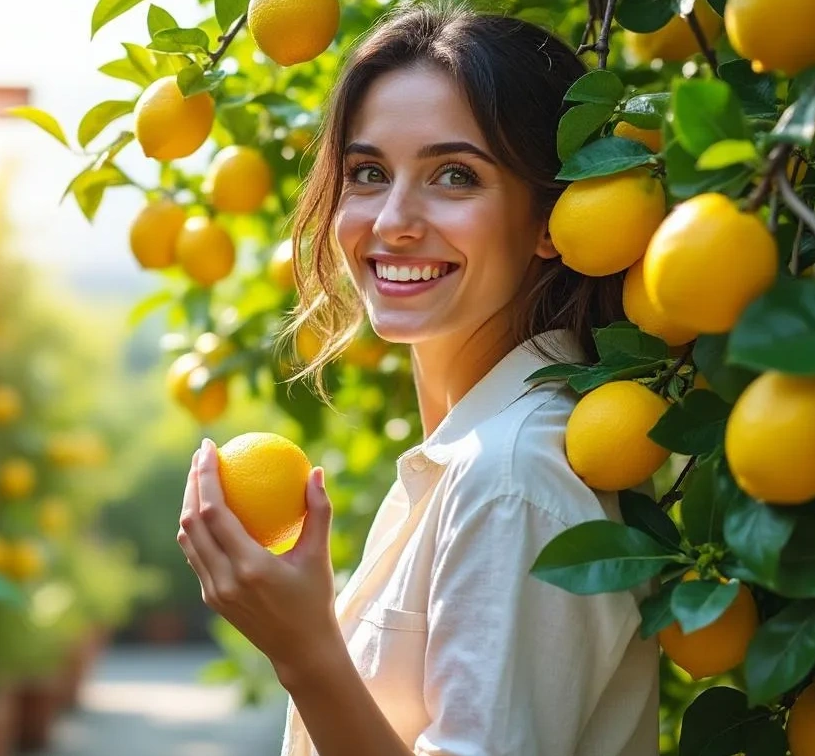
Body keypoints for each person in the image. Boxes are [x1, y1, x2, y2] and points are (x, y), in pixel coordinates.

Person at [175, 4, 661, 755]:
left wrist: (305, 651)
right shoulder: (473, 455)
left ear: (549, 219)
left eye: (454, 175)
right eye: (368, 173)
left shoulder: (512, 481)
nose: (392, 220)